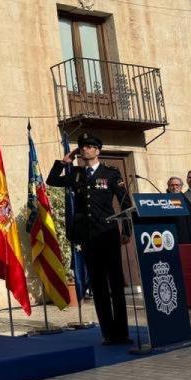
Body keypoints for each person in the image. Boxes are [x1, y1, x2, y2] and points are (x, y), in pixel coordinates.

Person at [47, 133, 132, 345]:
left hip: (108, 233)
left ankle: (122, 333)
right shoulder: (76, 173)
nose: (85, 149)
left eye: (89, 146)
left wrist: (127, 230)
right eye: (82, 146)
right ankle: (108, 334)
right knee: (99, 286)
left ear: (97, 151)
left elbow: (125, 203)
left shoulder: (110, 173)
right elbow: (52, 180)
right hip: (88, 236)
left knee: (115, 284)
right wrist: (63, 162)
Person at [166, 176, 191, 245]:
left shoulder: (186, 200)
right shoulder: (163, 200)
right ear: (168, 186)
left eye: (177, 185)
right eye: (172, 185)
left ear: (181, 187)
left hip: (186, 238)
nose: (174, 187)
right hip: (170, 237)